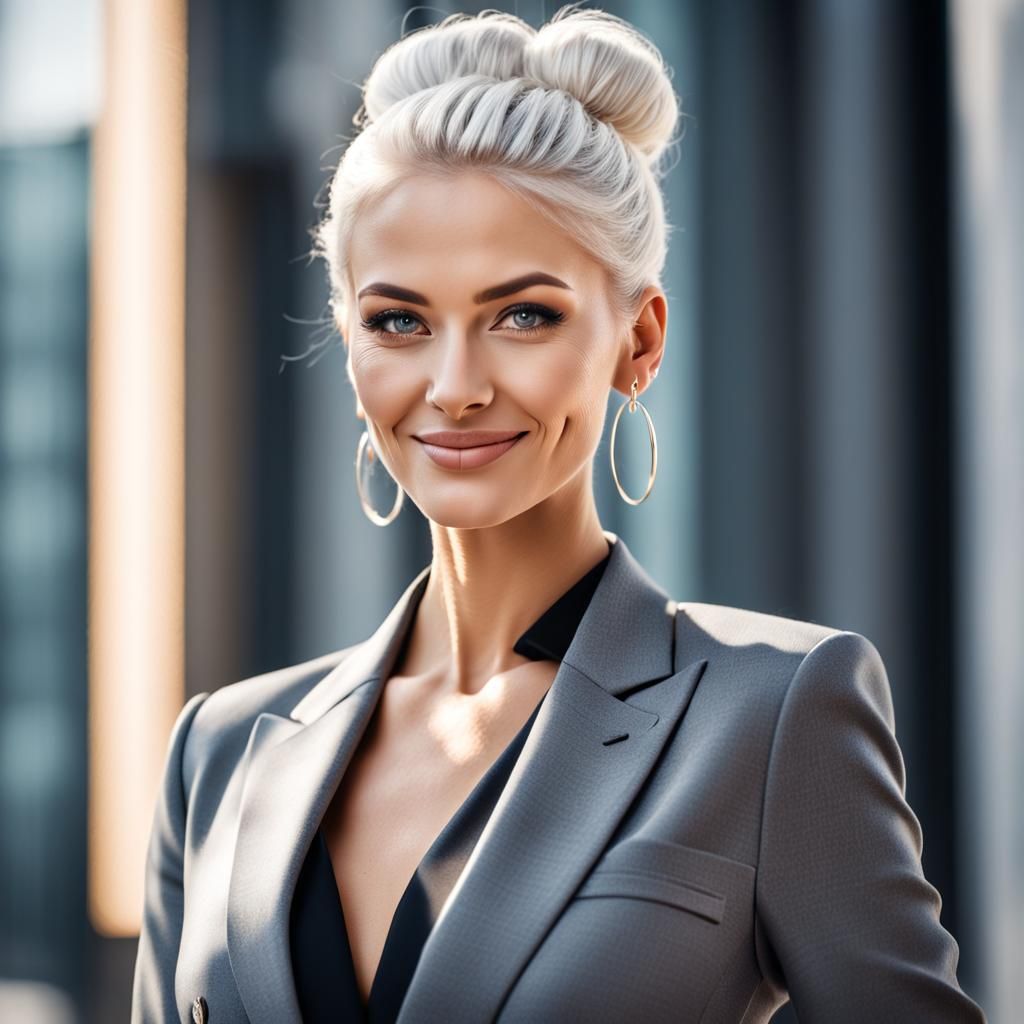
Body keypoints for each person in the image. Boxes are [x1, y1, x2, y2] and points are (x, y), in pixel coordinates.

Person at [130, 6, 987, 1023]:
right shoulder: (220, 752)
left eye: (522, 315)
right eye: (398, 321)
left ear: (639, 339)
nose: (453, 385)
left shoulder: (773, 716)